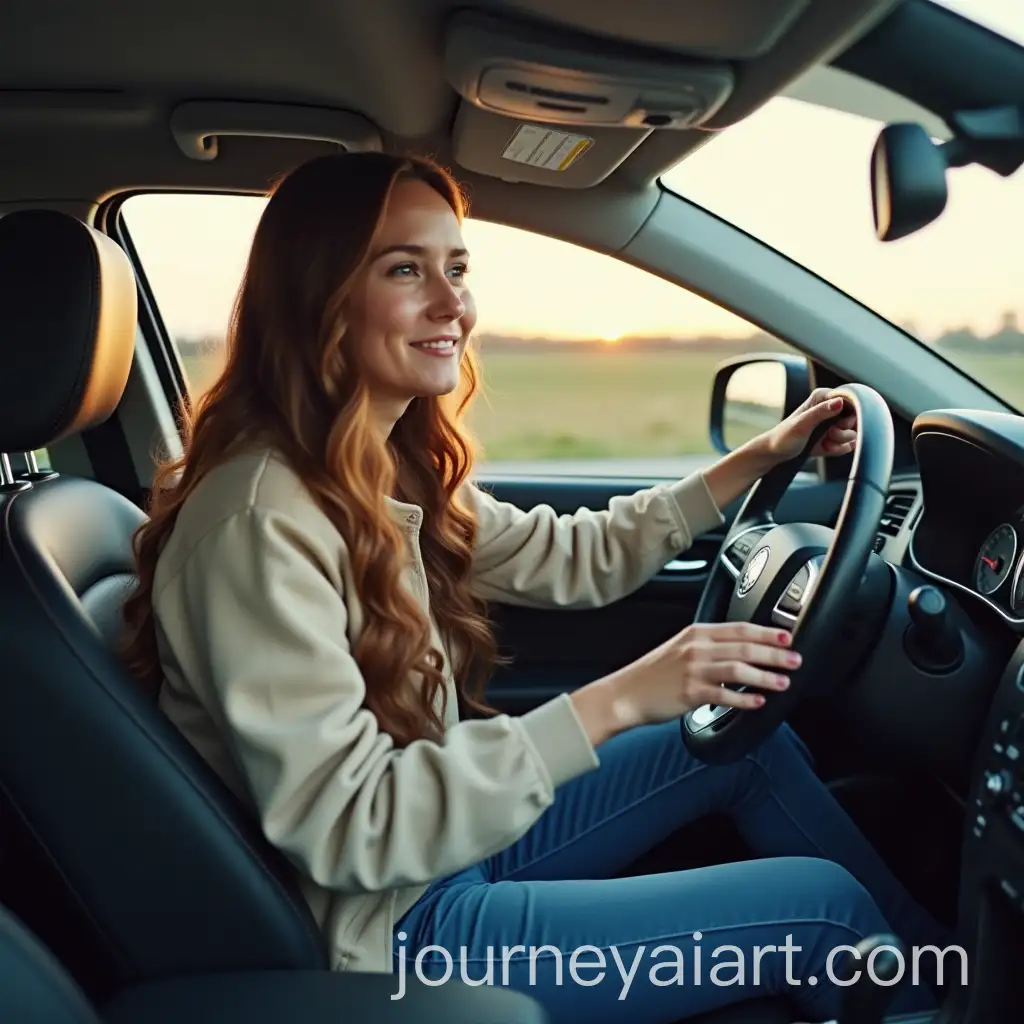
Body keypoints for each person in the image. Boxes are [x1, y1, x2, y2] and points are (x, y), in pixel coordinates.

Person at [121, 152, 948, 1024]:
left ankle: (949, 980)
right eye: (406, 269)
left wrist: (757, 459)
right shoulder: (262, 522)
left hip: (438, 853)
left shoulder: (374, 469)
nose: (452, 305)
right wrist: (621, 698)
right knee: (819, 912)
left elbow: (573, 555)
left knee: (740, 741)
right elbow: (351, 826)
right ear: (320, 296)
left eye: (458, 267)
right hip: (395, 935)